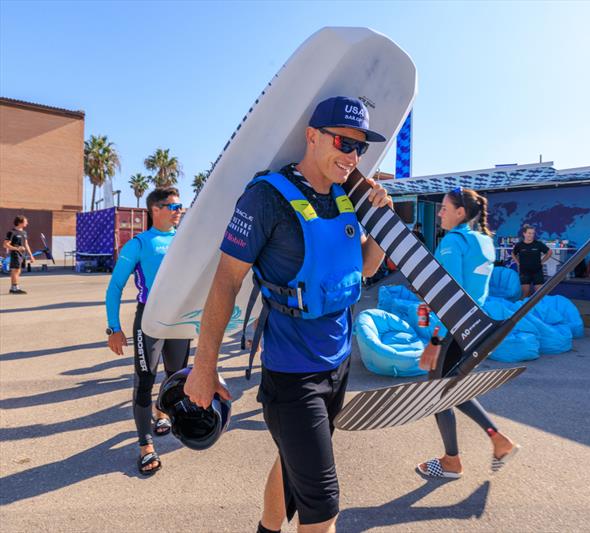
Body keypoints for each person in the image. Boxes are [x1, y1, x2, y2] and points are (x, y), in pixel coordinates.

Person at [184, 96, 391, 533]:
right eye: (343, 142)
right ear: (312, 136)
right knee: (323, 507)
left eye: (359, 148)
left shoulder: (346, 199)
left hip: (338, 365)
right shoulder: (266, 198)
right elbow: (225, 281)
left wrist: (384, 223)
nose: (352, 156)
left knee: (291, 465)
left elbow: (365, 268)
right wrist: (204, 367)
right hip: (293, 376)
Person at [416, 186, 519, 479]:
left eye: (444, 209)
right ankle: (499, 441)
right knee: (451, 390)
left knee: (438, 393)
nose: (439, 214)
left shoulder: (453, 242)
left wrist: (435, 341)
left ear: (461, 213)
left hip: (451, 330)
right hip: (473, 328)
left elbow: (449, 298)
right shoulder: (485, 242)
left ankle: (452, 461)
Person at [105, 187, 191, 476]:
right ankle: (145, 445)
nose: (179, 210)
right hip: (149, 320)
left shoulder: (185, 240)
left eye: (180, 205)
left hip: (179, 319)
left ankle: (162, 412)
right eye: (173, 206)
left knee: (177, 377)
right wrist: (113, 328)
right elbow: (114, 288)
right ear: (155, 209)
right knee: (145, 380)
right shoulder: (139, 244)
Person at [512, 224, 552, 297]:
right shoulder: (519, 245)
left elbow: (549, 252)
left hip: (537, 271)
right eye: (529, 233)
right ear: (524, 234)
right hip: (524, 272)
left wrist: (542, 261)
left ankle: (538, 308)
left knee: (539, 295)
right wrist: (518, 263)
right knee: (525, 294)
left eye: (533, 233)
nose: (531, 235)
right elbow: (513, 253)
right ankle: (525, 308)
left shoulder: (538, 244)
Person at [4, 215, 35, 294]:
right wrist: (17, 249)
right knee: (16, 270)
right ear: (19, 222)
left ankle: (13, 287)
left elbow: (26, 244)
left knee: (18, 271)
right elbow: (5, 245)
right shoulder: (12, 232)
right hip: (15, 254)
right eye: (25, 222)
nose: (27, 223)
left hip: (23, 254)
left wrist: (31, 256)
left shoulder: (24, 232)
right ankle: (15, 288)